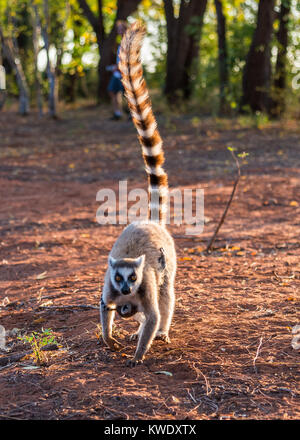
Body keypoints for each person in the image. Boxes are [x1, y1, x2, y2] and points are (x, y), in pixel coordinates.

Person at [107, 21, 127, 120]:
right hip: (117, 73)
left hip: (125, 73)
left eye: (121, 29)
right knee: (112, 91)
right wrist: (115, 66)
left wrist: (119, 67)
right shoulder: (121, 43)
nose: (119, 31)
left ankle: (134, 115)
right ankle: (117, 113)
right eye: (118, 29)